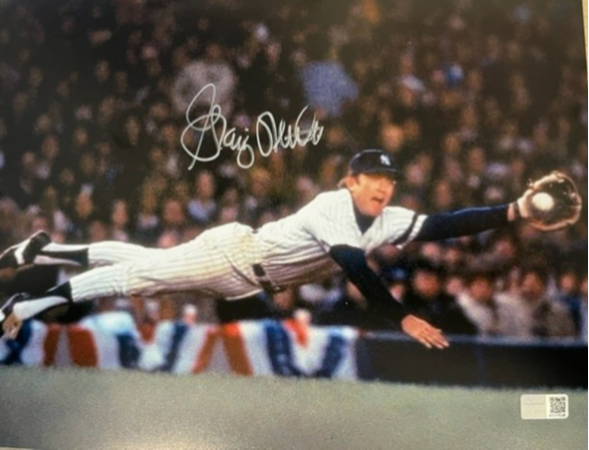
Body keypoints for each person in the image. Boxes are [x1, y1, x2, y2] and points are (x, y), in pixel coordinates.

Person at [0, 149, 529, 349]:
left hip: (245, 277)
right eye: (373, 177)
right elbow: (354, 266)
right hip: (232, 256)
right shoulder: (332, 206)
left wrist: (516, 210)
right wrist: (403, 317)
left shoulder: (388, 218)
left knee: (141, 261)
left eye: (389, 180)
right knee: (137, 279)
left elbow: (444, 224)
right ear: (350, 181)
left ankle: (46, 251)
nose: (383, 187)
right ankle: (26, 305)